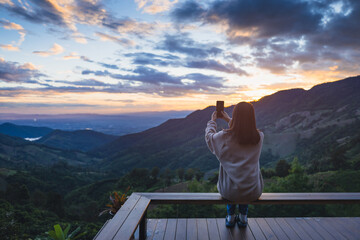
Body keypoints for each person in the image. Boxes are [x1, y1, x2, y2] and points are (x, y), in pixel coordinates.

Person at [205, 102, 264, 228]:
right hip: (253, 191)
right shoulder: (259, 137)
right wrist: (227, 119)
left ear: (235, 115)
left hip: (229, 192)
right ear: (252, 117)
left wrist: (212, 121)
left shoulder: (224, 137)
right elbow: (243, 130)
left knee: (232, 177)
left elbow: (209, 138)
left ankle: (231, 217)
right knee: (244, 177)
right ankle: (243, 217)